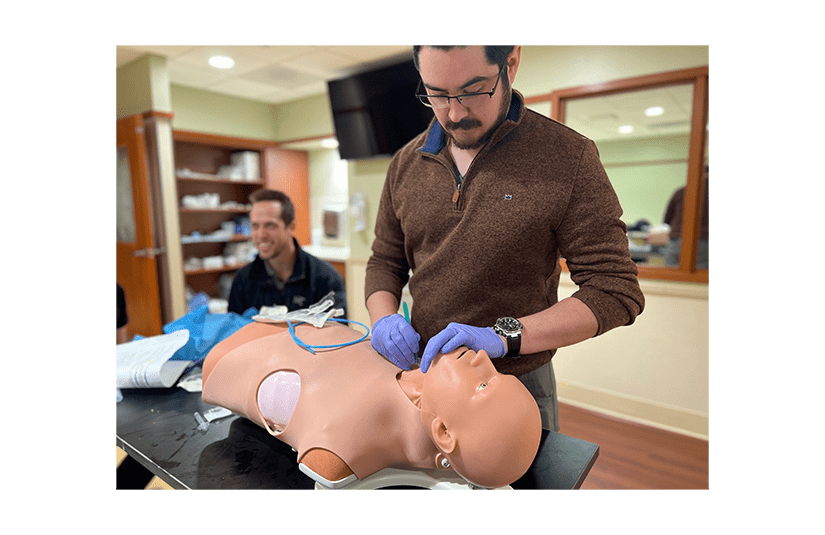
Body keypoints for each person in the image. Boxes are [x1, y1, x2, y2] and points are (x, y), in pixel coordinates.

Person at [366, 45, 645, 432]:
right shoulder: (405, 163)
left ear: (510, 63)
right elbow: (385, 261)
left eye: (474, 89)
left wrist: (503, 337)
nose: (456, 113)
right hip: (426, 375)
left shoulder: (568, 156)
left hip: (518, 383)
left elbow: (614, 290)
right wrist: (382, 320)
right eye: (438, 95)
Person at [202, 321, 542, 489]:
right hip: (303, 327)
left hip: (234, 359)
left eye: (483, 384)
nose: (483, 357)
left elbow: (325, 459)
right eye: (495, 371)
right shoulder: (421, 387)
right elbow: (385, 259)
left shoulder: (352, 440)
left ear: (443, 431)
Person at [228, 189, 347, 318]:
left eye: (270, 225)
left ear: (291, 227)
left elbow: (338, 334)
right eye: (255, 226)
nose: (261, 235)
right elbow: (233, 333)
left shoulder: (326, 279)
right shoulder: (243, 281)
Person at [663, 163, 709, 269]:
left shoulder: (681, 191)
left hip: (677, 240)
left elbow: (667, 219)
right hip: (704, 241)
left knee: (671, 275)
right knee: (699, 279)